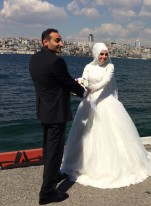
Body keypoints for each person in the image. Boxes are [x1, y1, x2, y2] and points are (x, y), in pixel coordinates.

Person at [60, 42, 151, 189]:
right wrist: (80, 84)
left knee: (110, 135)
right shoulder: (88, 66)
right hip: (89, 103)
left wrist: (91, 88)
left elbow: (105, 82)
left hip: (106, 103)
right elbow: (84, 78)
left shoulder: (110, 67)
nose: (104, 56)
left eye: (106, 54)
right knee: (85, 134)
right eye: (101, 53)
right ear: (95, 54)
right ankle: (80, 163)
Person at [29, 28, 88, 205]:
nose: (61, 43)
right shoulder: (57, 62)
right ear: (45, 42)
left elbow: (50, 83)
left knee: (48, 147)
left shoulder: (34, 59)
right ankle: (47, 193)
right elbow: (68, 82)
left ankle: (54, 175)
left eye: (61, 40)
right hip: (56, 112)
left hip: (43, 110)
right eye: (57, 40)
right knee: (55, 150)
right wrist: (84, 91)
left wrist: (65, 89)